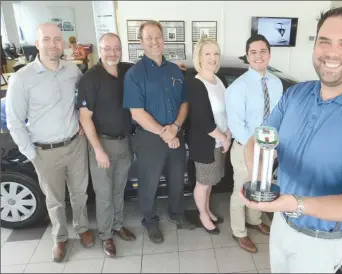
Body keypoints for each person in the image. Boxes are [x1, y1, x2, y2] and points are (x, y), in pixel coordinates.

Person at [241, 6, 342, 273]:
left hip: (320, 243)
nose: (332, 52)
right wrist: (260, 179)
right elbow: (259, 140)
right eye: (324, 41)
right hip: (281, 222)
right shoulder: (295, 95)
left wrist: (294, 203)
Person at [6, 23, 94, 262]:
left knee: (79, 193)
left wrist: (82, 127)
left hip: (75, 145)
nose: (53, 44)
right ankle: (60, 237)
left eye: (58, 39)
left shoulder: (72, 70)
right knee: (54, 200)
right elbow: (14, 121)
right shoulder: (21, 78)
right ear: (37, 44)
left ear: (63, 43)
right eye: (47, 39)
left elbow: (80, 102)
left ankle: (82, 227)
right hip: (44, 150)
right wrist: (31, 153)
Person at [123, 20, 195, 244]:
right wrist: (165, 133)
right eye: (149, 38)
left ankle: (176, 214)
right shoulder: (134, 74)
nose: (154, 41)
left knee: (176, 178)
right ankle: (150, 221)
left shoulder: (175, 70)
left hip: (175, 133)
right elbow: (137, 112)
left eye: (158, 37)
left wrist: (175, 128)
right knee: (149, 181)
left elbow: (184, 103)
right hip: (149, 138)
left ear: (164, 39)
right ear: (141, 42)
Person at [76, 32, 136, 257]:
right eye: (107, 48)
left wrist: (177, 68)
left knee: (119, 190)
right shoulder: (90, 78)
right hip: (102, 145)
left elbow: (151, 68)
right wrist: (98, 150)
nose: (113, 52)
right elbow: (84, 117)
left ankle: (118, 225)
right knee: (103, 193)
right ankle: (105, 235)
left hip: (124, 142)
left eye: (116, 48)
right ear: (100, 50)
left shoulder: (128, 70)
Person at [225, 34, 283, 253]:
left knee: (262, 187)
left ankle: (255, 219)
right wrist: (256, 147)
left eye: (263, 51)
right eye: (253, 52)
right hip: (245, 149)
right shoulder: (238, 87)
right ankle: (239, 231)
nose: (258, 56)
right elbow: (237, 124)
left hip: (269, 148)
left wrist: (274, 146)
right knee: (241, 190)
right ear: (247, 56)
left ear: (269, 53)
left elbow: (278, 117)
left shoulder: (276, 83)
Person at [186, 38, 231, 234]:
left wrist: (228, 133)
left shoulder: (218, 79)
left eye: (216, 54)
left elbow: (227, 111)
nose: (213, 58)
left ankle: (207, 210)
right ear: (199, 58)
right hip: (205, 142)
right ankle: (202, 215)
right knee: (203, 183)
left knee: (211, 181)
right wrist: (223, 137)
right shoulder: (197, 84)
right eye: (208, 54)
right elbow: (203, 121)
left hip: (220, 140)